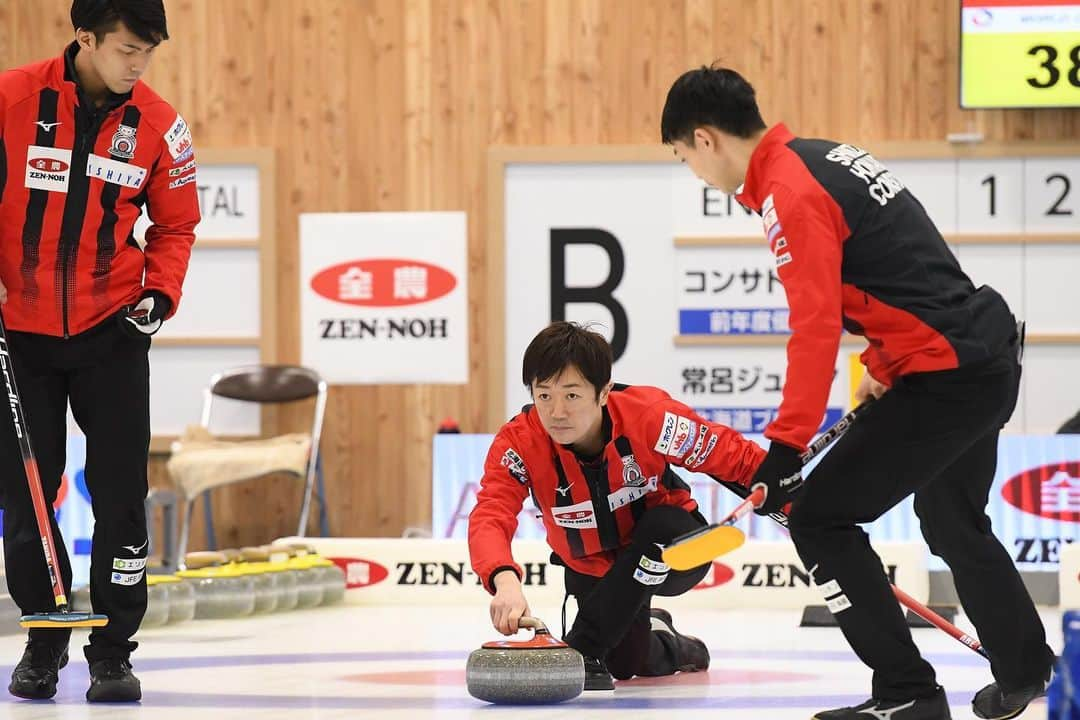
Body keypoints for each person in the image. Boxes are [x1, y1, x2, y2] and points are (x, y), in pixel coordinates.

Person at [661, 64, 1055, 720]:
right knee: (950, 515)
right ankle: (1025, 668)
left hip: (950, 375)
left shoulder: (789, 191)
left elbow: (813, 327)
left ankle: (907, 693)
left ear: (706, 139)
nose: (695, 173)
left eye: (683, 158)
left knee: (818, 517)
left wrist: (785, 449)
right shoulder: (823, 158)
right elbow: (909, 268)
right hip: (980, 353)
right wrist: (884, 361)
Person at [0, 0, 197, 703]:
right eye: (126, 50)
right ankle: (44, 638)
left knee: (120, 497)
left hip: (112, 335)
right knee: (28, 495)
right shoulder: (10, 98)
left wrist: (157, 297)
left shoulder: (161, 126)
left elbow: (176, 228)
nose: (138, 64)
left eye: (149, 52)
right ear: (85, 38)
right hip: (18, 338)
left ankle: (113, 650)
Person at [468, 321, 765, 689]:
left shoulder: (652, 417)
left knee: (659, 530)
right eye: (543, 395)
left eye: (572, 396)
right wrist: (504, 580)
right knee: (625, 663)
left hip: (674, 549)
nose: (556, 412)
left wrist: (793, 493)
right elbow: (491, 512)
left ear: (604, 392)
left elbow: (733, 456)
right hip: (594, 570)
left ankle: (582, 647)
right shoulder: (518, 443)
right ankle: (671, 643)